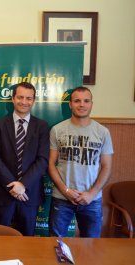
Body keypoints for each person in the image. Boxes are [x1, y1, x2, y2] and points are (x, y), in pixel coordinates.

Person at [48, 86, 113, 238]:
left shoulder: (103, 132)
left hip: (92, 199)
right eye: (77, 101)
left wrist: (92, 193)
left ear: (91, 104)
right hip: (62, 198)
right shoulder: (57, 130)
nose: (81, 104)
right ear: (70, 104)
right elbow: (51, 164)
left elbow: (107, 166)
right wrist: (66, 191)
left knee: (91, 246)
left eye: (86, 101)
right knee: (55, 244)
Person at [0, 82, 49, 236]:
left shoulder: (42, 126)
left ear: (33, 101)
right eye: (20, 97)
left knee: (28, 240)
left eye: (29, 98)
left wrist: (23, 184)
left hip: (30, 193)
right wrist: (13, 186)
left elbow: (42, 159)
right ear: (13, 99)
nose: (24, 101)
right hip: (4, 192)